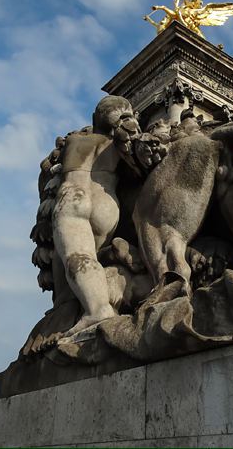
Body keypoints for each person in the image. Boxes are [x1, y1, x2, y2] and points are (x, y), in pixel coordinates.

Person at [52, 96, 140, 335]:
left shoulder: (76, 140)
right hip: (107, 203)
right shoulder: (115, 145)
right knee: (95, 258)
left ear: (95, 119)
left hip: (74, 196)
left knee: (79, 255)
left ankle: (97, 310)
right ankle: (87, 305)